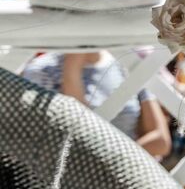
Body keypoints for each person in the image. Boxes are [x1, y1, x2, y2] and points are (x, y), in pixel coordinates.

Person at [21, 51, 172, 159]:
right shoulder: (41, 71)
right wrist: (72, 69)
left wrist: (114, 163)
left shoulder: (126, 62)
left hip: (129, 180)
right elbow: (73, 141)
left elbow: (160, 141)